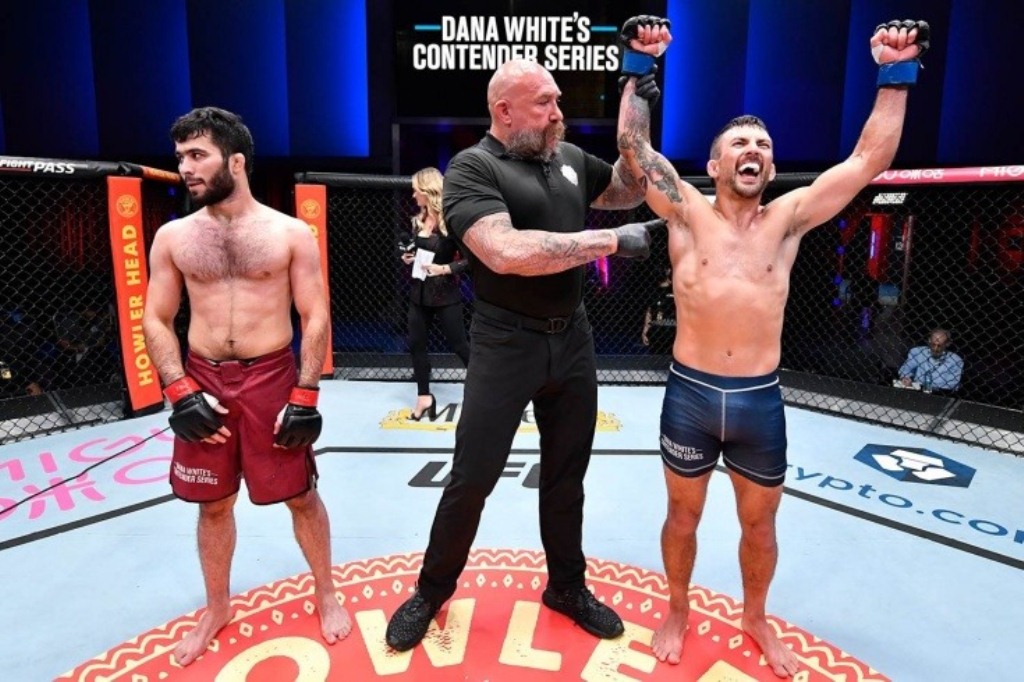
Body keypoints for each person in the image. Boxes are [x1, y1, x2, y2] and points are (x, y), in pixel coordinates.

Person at [617, 17, 930, 676]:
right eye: (739, 142)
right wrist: (639, 66)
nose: (752, 149)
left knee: (760, 526)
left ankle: (755, 617)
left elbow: (868, 161)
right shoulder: (685, 210)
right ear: (715, 164)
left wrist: (894, 74)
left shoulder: (788, 220)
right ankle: (677, 608)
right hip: (691, 395)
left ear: (771, 166)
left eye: (762, 144)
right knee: (682, 516)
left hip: (758, 400)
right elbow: (634, 148)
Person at [384, 54, 665, 651]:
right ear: (504, 110)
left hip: (573, 338)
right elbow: (505, 252)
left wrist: (635, 97)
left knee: (566, 476)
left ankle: (567, 587)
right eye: (545, 103)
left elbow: (629, 187)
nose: (559, 112)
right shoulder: (473, 168)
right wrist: (609, 242)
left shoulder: (568, 159)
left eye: (558, 100)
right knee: (472, 477)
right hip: (505, 341)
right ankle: (431, 592)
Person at [141, 106, 350, 666]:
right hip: (202, 376)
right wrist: (178, 389)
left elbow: (315, 315)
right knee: (213, 505)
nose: (185, 168)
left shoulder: (289, 233)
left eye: (197, 155)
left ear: (235, 161)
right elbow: (156, 317)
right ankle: (217, 607)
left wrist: (306, 394)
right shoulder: (174, 237)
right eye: (180, 157)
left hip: (271, 378)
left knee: (301, 496)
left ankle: (326, 591)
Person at [400, 167, 471, 420]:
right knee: (416, 344)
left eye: (416, 190)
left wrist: (445, 268)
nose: (413, 195)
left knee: (459, 344)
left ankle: (488, 388)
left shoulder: (451, 221)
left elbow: (471, 259)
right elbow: (420, 251)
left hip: (445, 293)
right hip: (419, 292)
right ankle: (424, 397)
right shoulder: (418, 220)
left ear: (427, 191)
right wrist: (410, 257)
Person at [897, 328, 963, 393]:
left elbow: (951, 385)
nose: (935, 348)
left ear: (947, 344)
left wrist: (928, 387)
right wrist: (905, 377)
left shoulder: (955, 361)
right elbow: (906, 368)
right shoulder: (917, 352)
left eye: (939, 346)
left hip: (940, 394)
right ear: (929, 340)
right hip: (917, 391)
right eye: (933, 344)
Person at [641, 266, 675, 355]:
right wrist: (645, 330)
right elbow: (649, 310)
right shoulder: (653, 291)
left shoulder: (677, 290)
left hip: (673, 329)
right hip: (657, 330)